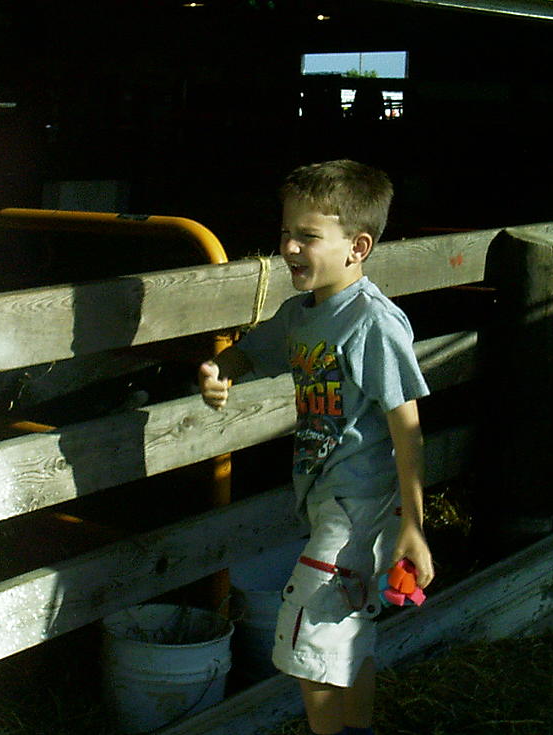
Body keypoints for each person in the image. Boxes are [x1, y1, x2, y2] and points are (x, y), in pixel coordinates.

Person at [198, 160, 434, 735]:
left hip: (361, 507)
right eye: (285, 232)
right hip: (327, 498)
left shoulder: (373, 324)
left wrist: (412, 522)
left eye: (308, 236)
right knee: (347, 637)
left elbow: (408, 427)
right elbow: (253, 350)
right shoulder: (300, 315)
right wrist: (220, 368)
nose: (289, 246)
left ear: (357, 246)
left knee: (309, 638)